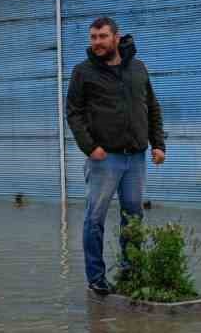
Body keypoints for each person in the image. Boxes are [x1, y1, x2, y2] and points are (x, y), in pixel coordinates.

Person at [64, 16, 165, 296]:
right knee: (95, 218)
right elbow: (74, 113)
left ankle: (131, 274)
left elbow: (152, 107)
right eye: (93, 37)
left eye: (102, 37)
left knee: (133, 217)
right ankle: (96, 278)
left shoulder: (138, 68)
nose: (97, 42)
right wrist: (90, 147)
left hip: (136, 157)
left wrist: (158, 144)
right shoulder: (83, 72)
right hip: (104, 158)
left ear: (116, 38)